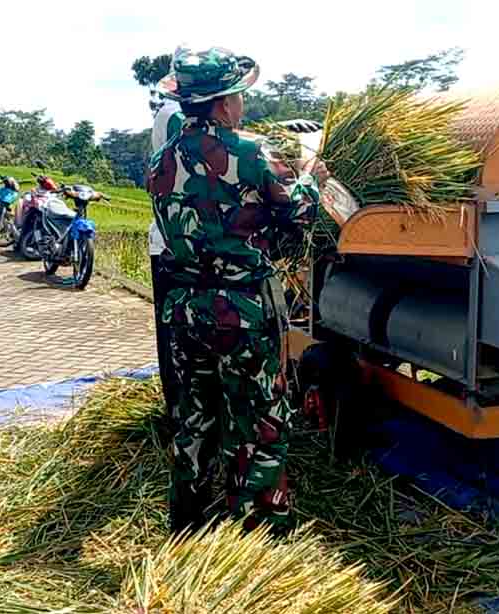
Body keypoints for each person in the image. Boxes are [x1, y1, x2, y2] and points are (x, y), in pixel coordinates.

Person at [147, 46, 329, 535]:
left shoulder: (161, 160)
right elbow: (298, 213)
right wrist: (312, 178)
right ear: (224, 103)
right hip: (242, 311)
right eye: (239, 96)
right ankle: (259, 533)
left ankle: (186, 524)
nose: (242, 105)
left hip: (185, 309)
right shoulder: (250, 153)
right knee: (259, 421)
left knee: (194, 420)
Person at [149, 99, 184, 417]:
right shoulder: (175, 114)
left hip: (181, 246)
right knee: (176, 336)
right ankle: (178, 412)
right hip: (174, 248)